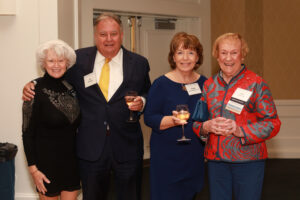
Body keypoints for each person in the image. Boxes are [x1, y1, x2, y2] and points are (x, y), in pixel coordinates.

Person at [22, 13, 151, 200]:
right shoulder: (78, 60)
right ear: (95, 35)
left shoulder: (139, 63)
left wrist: (143, 102)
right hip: (90, 148)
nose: (108, 39)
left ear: (122, 34)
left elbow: (148, 92)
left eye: (113, 34)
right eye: (102, 34)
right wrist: (32, 83)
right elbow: (55, 77)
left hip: (127, 146)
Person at [193, 33, 281, 200]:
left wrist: (241, 131)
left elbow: (272, 123)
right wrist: (206, 127)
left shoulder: (256, 84)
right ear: (216, 55)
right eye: (224, 52)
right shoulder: (209, 85)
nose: (228, 58)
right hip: (216, 161)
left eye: (234, 52)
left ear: (243, 54)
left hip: (248, 161)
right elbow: (198, 122)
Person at [144, 32, 207, 200]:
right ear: (173, 57)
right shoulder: (161, 84)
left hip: (194, 154)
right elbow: (149, 117)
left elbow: (208, 117)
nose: (185, 58)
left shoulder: (205, 84)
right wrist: (172, 121)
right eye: (180, 52)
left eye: (191, 52)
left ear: (198, 57)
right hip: (166, 156)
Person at [22, 39, 80, 200]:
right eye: (51, 60)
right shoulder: (33, 91)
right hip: (46, 166)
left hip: (71, 163)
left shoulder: (72, 89)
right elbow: (27, 134)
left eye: (60, 60)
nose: (56, 65)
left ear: (67, 63)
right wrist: (34, 171)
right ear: (43, 63)